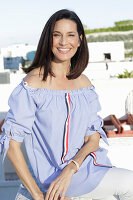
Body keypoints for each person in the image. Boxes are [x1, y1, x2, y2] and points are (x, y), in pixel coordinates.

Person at [0, 9, 133, 200]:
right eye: (57, 35)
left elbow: (93, 139)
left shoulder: (84, 84)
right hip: (47, 181)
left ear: (79, 40)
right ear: (49, 39)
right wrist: (38, 196)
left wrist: (71, 169)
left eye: (70, 35)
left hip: (82, 172)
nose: (64, 42)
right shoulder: (33, 84)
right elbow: (12, 145)